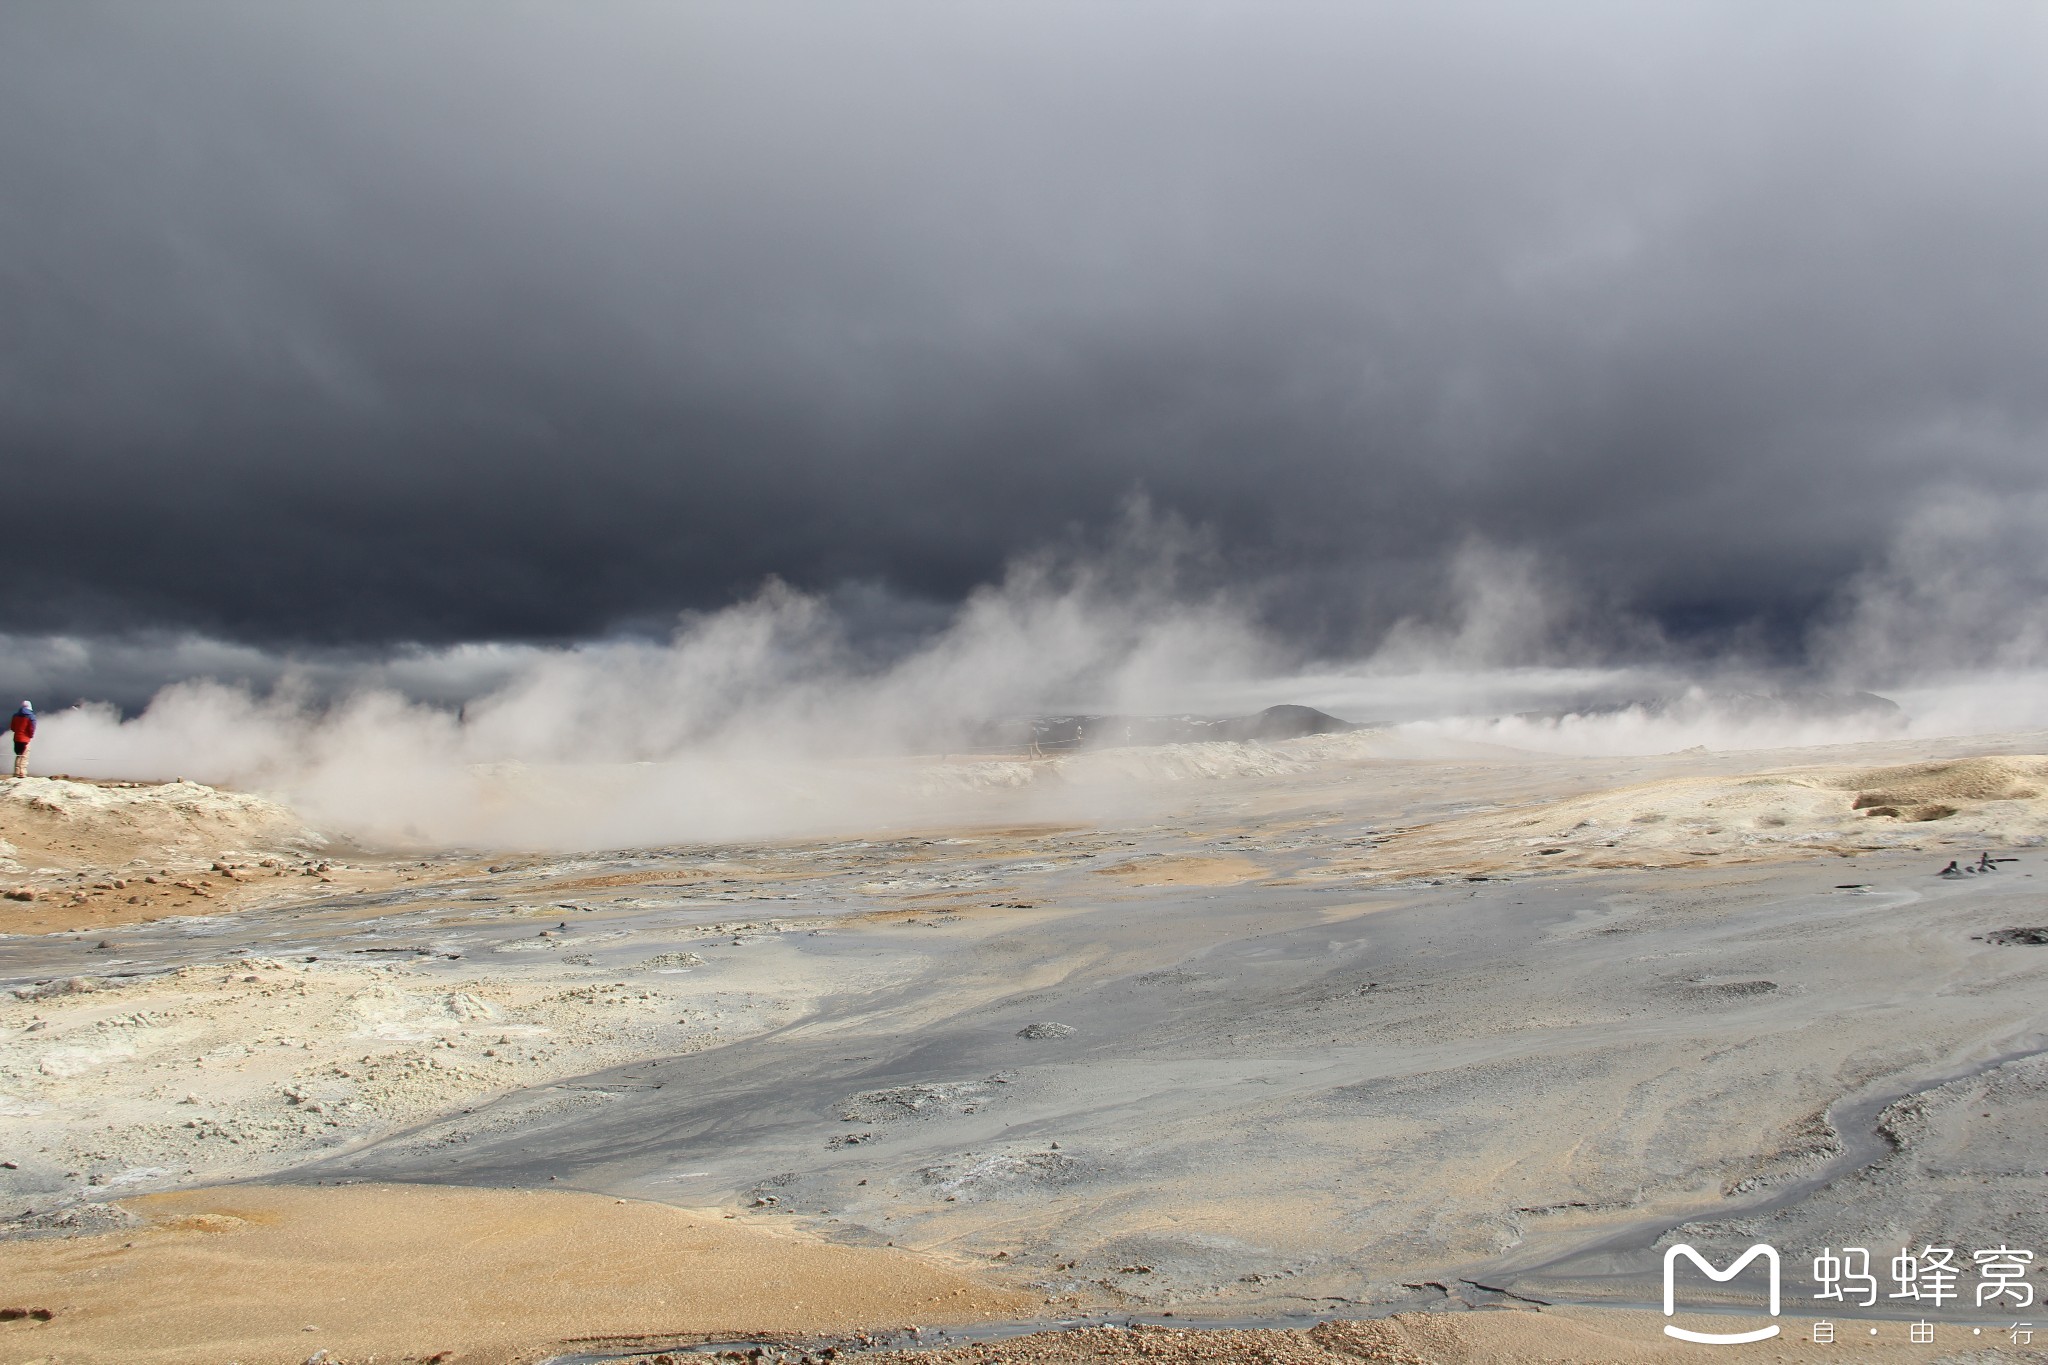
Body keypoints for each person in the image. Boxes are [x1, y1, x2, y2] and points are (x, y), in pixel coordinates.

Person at [9, 701, 33, 778]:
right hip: (25, 739)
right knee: (24, 756)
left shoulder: (15, 716)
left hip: (16, 738)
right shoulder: (31, 716)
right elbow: (32, 729)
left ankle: (16, 772)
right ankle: (22, 773)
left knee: (18, 755)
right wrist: (30, 736)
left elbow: (12, 727)